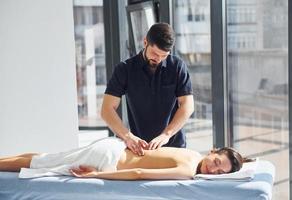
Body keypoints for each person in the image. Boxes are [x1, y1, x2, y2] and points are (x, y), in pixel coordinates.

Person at [101, 22, 194, 156]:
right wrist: (127, 136)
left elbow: (188, 105)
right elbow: (106, 109)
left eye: (164, 55)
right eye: (155, 53)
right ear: (145, 42)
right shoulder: (125, 69)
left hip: (174, 146)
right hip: (139, 147)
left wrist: (166, 135)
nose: (159, 59)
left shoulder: (177, 67)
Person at [0, 137, 245, 180]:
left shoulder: (192, 152)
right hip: (107, 159)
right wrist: (97, 175)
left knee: (46, 158)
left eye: (220, 173)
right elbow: (138, 174)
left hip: (112, 147)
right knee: (44, 162)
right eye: (216, 163)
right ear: (213, 152)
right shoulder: (188, 169)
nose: (214, 171)